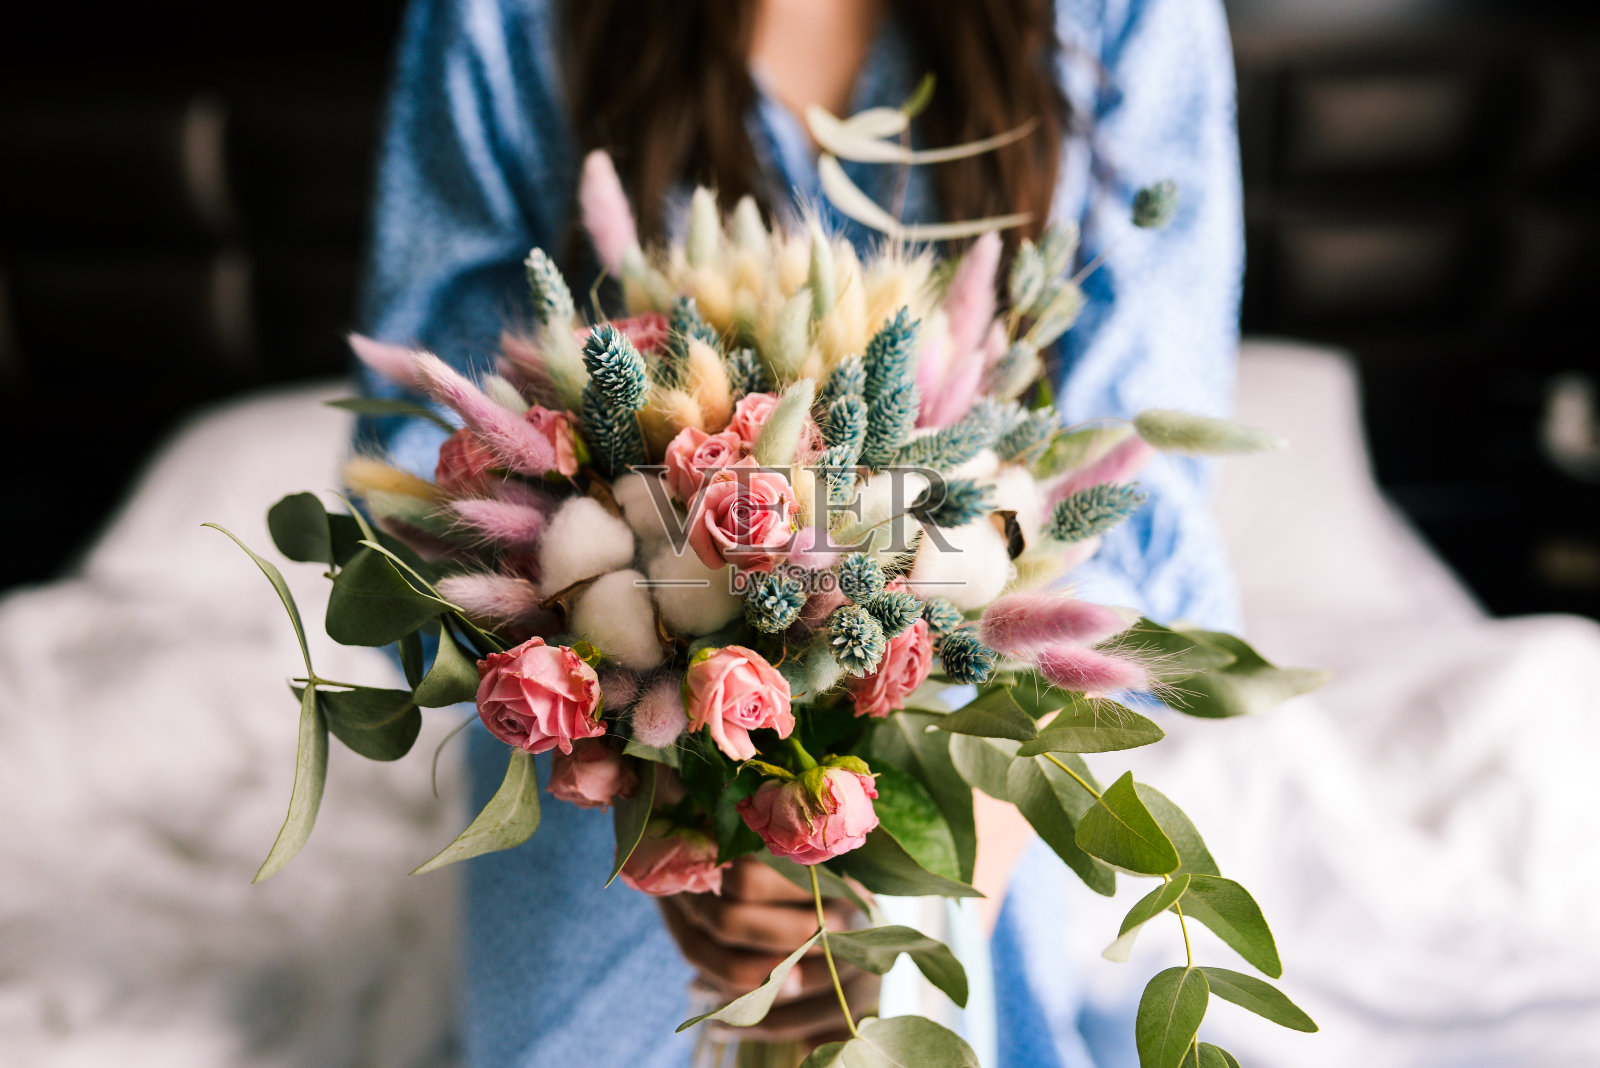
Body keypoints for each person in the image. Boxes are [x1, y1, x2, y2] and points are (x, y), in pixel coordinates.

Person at [354, 0, 1244, 1064]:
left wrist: (957, 850)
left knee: (939, 1009)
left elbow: (1136, 459)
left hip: (978, 714)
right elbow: (432, 458)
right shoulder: (503, 18)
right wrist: (677, 815)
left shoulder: (1126, 17)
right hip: (605, 709)